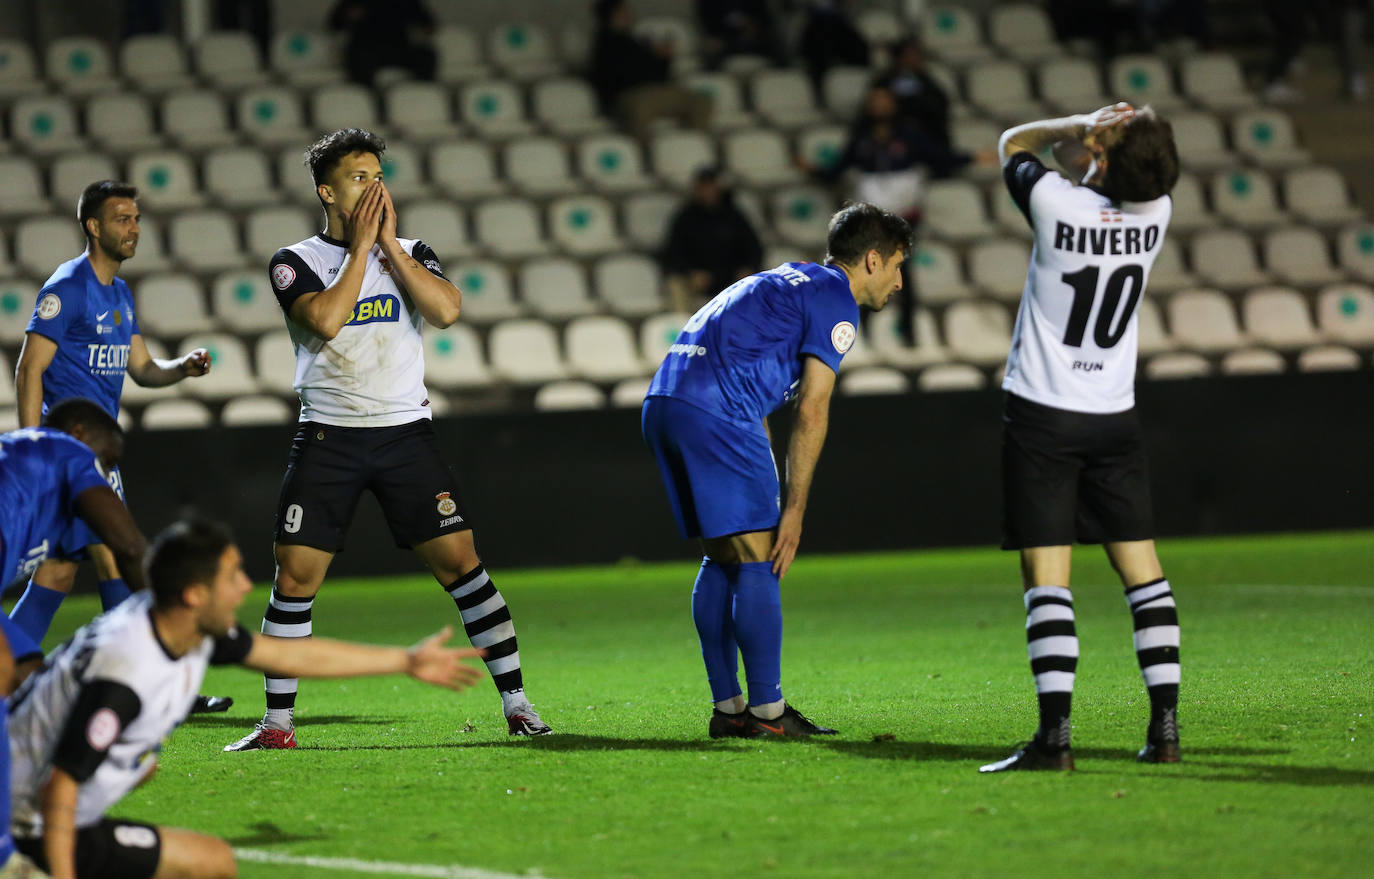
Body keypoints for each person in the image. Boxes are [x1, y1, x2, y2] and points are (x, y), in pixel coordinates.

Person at [225, 128, 550, 752]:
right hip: (329, 438)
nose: (374, 187)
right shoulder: (294, 261)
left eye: (378, 175)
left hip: (406, 436)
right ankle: (277, 724)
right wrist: (362, 252)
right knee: (294, 578)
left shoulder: (412, 250)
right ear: (327, 191)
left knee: (463, 566)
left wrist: (389, 252)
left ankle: (517, 703)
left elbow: (449, 310)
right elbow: (324, 318)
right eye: (358, 178)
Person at [7, 517, 486, 879]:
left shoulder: (176, 623)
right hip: (27, 821)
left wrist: (403, 661)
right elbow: (61, 785)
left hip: (35, 798)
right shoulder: (127, 673)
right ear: (195, 594)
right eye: (232, 575)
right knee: (208, 861)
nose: (245, 587)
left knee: (203, 847)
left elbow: (291, 656)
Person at [642, 203, 911, 739]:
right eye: (900, 266)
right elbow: (812, 408)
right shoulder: (837, 301)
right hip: (716, 410)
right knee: (758, 559)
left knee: (722, 556)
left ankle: (730, 708)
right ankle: (769, 713)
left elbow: (750, 367)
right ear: (873, 260)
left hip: (666, 400)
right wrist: (794, 510)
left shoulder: (788, 280)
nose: (901, 283)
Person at [979, 103, 1181, 772]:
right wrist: (1106, 146)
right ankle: (1166, 730)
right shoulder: (1157, 213)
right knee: (1143, 575)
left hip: (1044, 411)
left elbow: (1012, 142)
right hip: (1113, 414)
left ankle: (1055, 740)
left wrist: (1078, 125)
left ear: (1106, 155)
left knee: (1048, 579)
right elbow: (1112, 179)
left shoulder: (1058, 207)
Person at [9, 182, 213, 662]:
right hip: (69, 453)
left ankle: (11, 661)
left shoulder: (119, 293)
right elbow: (28, 368)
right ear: (93, 226)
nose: (134, 228)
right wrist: (31, 446)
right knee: (117, 559)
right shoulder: (67, 288)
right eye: (122, 219)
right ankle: (142, 669)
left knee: (59, 571)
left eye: (137, 219)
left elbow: (141, 369)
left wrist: (181, 366)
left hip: (95, 454)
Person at [0, 398, 159, 879]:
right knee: (18, 683)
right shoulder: (63, 450)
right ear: (76, 432)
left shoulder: (32, 481)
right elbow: (129, 545)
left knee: (30, 681)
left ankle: (27, 820)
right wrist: (171, 617)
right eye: (106, 461)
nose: (105, 474)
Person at [588, 0, 712, 140]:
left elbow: (658, 74)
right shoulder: (604, 45)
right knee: (640, 109)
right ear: (614, 14)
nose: (629, 15)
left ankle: (695, 145)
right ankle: (644, 153)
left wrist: (663, 58)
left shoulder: (634, 41)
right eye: (624, 11)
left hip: (654, 91)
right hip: (629, 95)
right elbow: (614, 78)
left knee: (701, 102)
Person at [660, 166, 763, 314]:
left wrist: (748, 268)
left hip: (730, 278)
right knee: (675, 284)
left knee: (758, 282)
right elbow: (672, 253)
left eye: (710, 186)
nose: (707, 191)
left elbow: (754, 248)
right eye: (703, 187)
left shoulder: (735, 216)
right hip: (698, 280)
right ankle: (685, 330)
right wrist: (690, 273)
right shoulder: (685, 217)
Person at [328, 0, 437, 87]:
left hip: (399, 48)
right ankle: (368, 100)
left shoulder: (407, 2)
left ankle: (417, 96)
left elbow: (428, 24)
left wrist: (425, 28)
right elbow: (334, 24)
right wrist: (349, 16)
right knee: (358, 59)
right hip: (367, 49)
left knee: (426, 56)